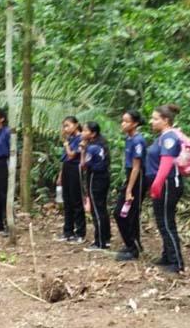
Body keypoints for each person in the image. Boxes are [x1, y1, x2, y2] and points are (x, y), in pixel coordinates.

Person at [147, 104, 184, 273]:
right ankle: (167, 256)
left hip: (167, 183)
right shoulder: (163, 136)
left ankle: (176, 262)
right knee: (162, 221)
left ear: (166, 120)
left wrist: (157, 183)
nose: (151, 122)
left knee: (167, 222)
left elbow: (166, 163)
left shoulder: (169, 137)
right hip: (162, 183)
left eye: (155, 119)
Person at [114, 110, 146, 261]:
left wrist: (129, 189)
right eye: (122, 121)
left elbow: (136, 167)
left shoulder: (138, 141)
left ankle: (133, 248)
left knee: (123, 213)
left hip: (137, 179)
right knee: (125, 213)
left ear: (135, 124)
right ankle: (132, 244)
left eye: (126, 121)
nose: (123, 124)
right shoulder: (129, 138)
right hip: (130, 176)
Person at [80, 121, 111, 251]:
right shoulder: (101, 144)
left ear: (93, 133)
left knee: (96, 210)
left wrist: (82, 150)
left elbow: (83, 165)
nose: (82, 133)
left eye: (85, 131)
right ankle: (106, 237)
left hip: (95, 178)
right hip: (104, 177)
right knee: (102, 208)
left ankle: (100, 242)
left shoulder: (92, 148)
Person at [56, 116, 85, 243]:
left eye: (67, 125)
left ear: (76, 125)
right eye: (64, 126)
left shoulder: (81, 139)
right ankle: (68, 231)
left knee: (76, 201)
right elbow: (65, 159)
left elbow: (72, 155)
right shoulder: (70, 138)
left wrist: (66, 144)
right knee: (67, 200)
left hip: (75, 169)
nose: (65, 129)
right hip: (67, 169)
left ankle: (80, 232)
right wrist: (61, 175)